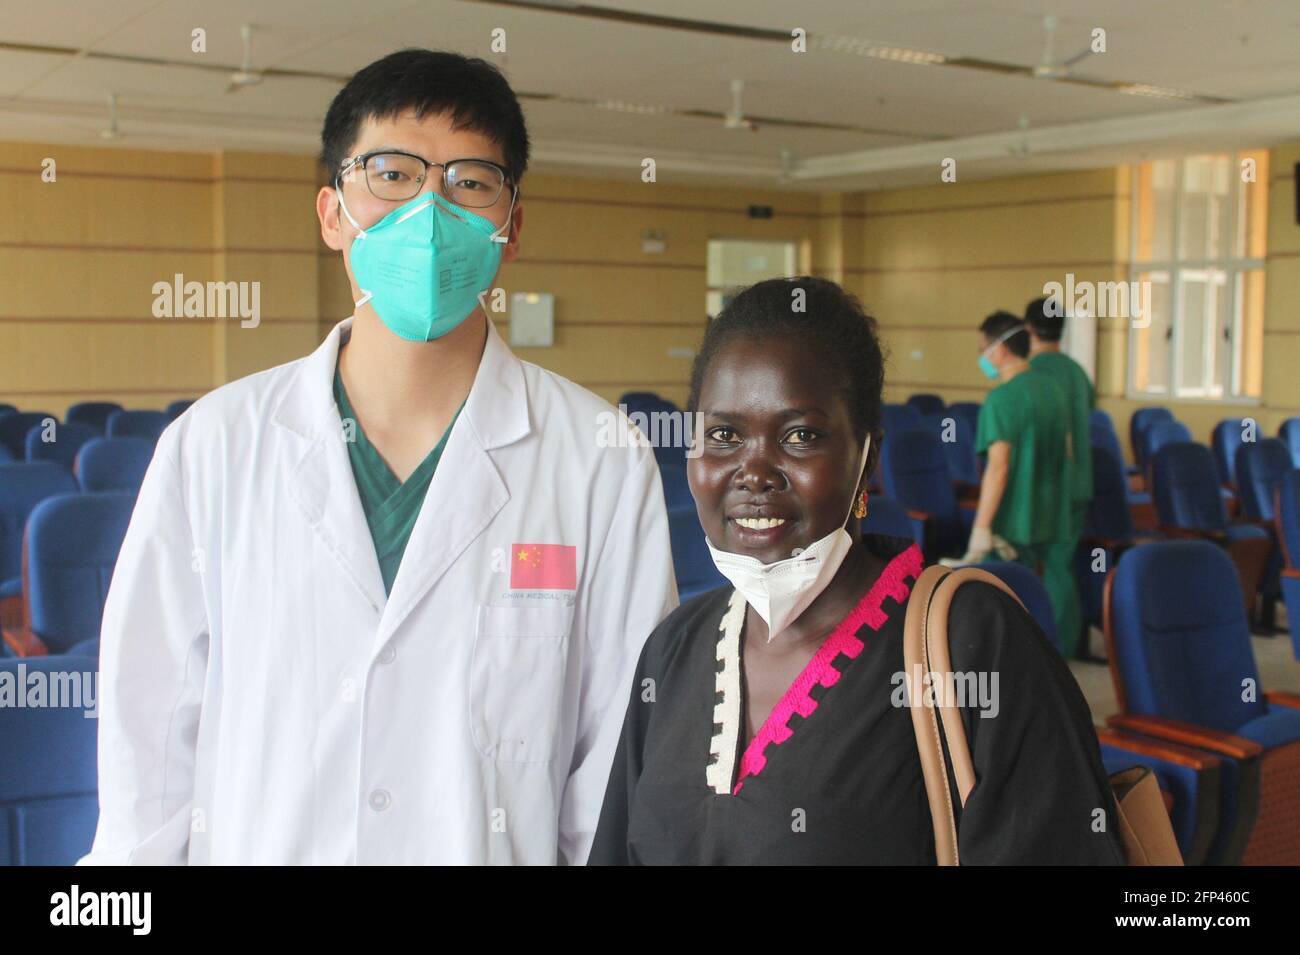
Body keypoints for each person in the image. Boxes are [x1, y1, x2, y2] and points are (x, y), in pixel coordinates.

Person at [83, 49, 677, 865]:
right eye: (392, 173)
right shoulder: (214, 447)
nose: (430, 210)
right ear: (332, 213)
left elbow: (617, 755)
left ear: (511, 226)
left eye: (470, 181)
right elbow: (148, 730)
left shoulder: (601, 459)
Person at [589, 278, 1124, 865]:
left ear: (866, 456)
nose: (755, 471)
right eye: (724, 435)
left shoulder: (973, 644)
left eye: (799, 436)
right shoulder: (673, 649)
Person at [963, 311, 1076, 653]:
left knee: (1000, 592)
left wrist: (981, 528)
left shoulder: (1003, 399)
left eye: (984, 348)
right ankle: (1058, 653)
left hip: (1015, 515)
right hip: (1054, 508)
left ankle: (1015, 660)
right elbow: (1068, 450)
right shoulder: (1054, 390)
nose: (983, 356)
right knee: (1055, 582)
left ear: (1000, 350)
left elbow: (999, 468)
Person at [1025, 295, 1094, 656]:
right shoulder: (1078, 373)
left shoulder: (1031, 374)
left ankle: (1048, 648)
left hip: (1046, 487)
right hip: (1079, 482)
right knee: (1061, 566)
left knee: (1041, 568)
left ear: (1029, 329)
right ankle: (1065, 643)